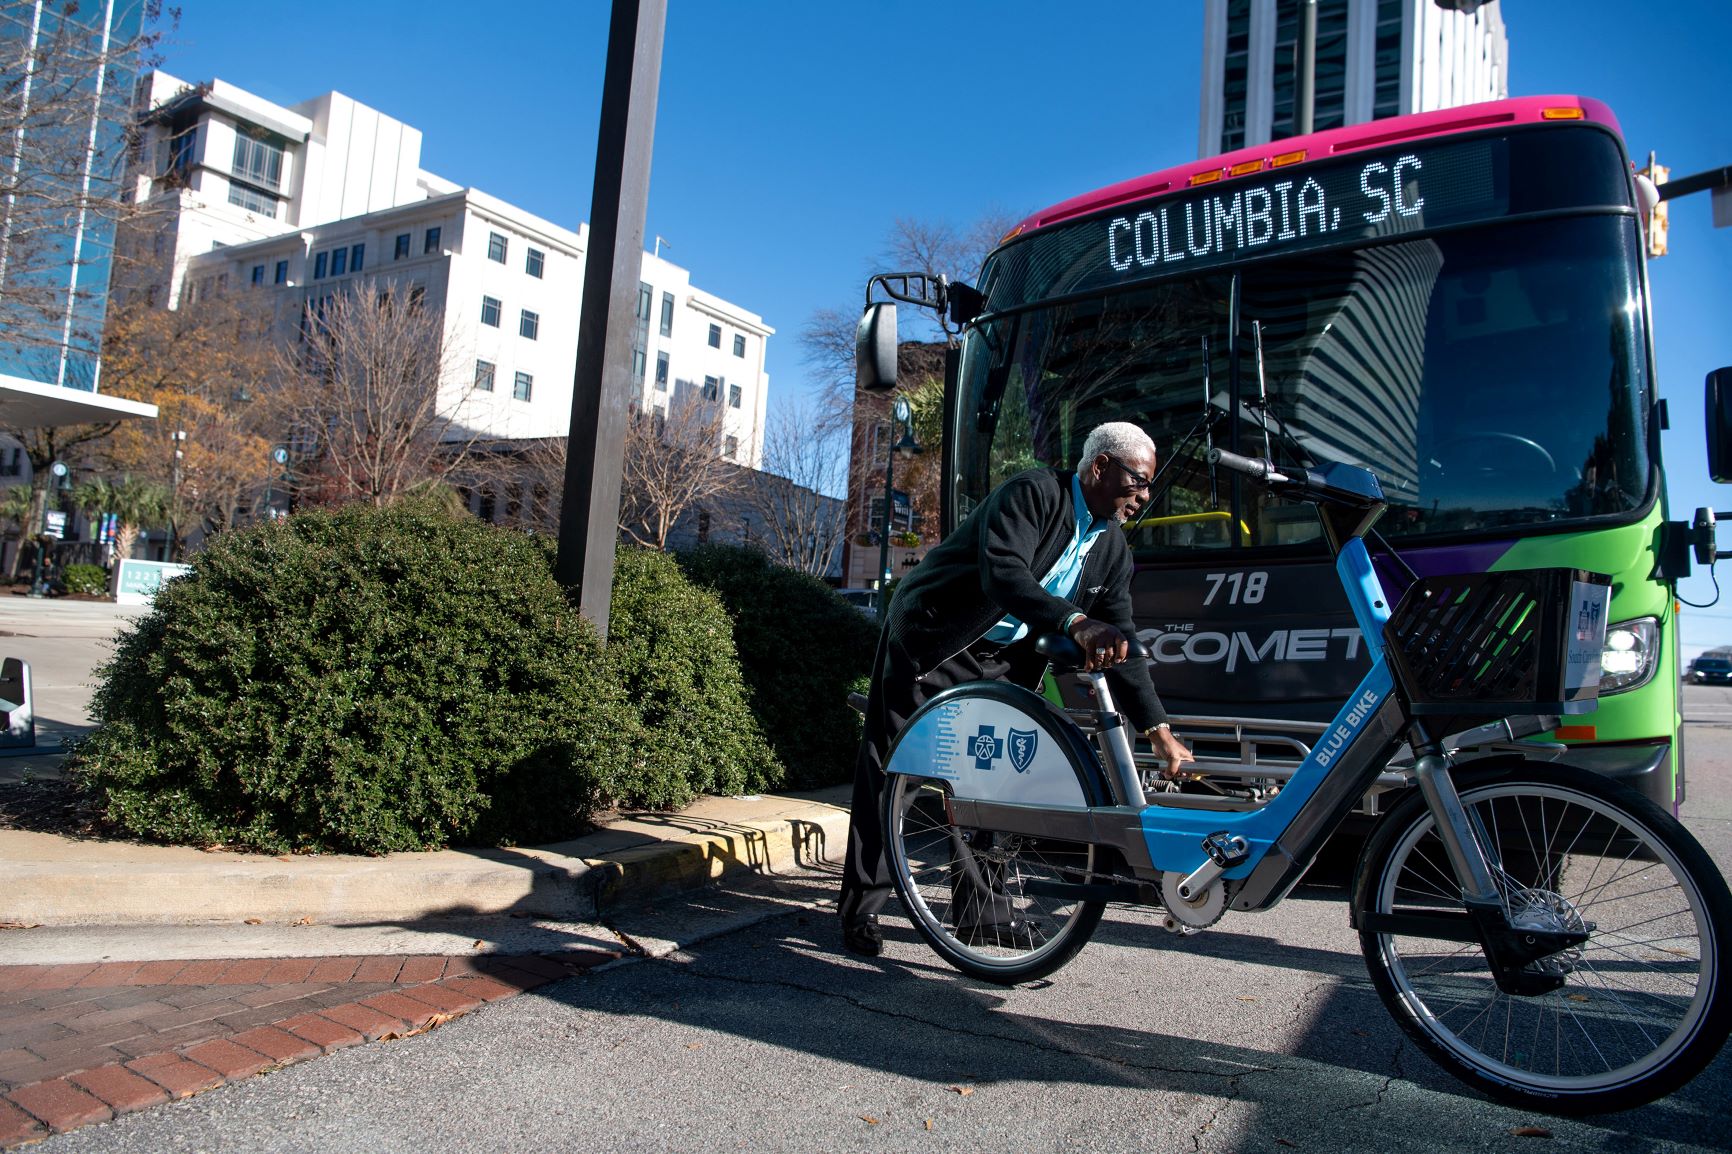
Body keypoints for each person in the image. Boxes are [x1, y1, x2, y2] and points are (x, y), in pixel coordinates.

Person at [840, 421, 1194, 956]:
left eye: (1148, 487)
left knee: (993, 783)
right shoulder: (1033, 493)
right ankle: (861, 909)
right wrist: (1076, 622)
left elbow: (1120, 640)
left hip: (1004, 661)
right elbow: (1005, 575)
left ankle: (982, 917)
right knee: (895, 773)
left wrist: (1159, 729)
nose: (1144, 497)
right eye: (1138, 482)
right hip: (939, 639)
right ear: (1100, 467)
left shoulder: (1112, 547)